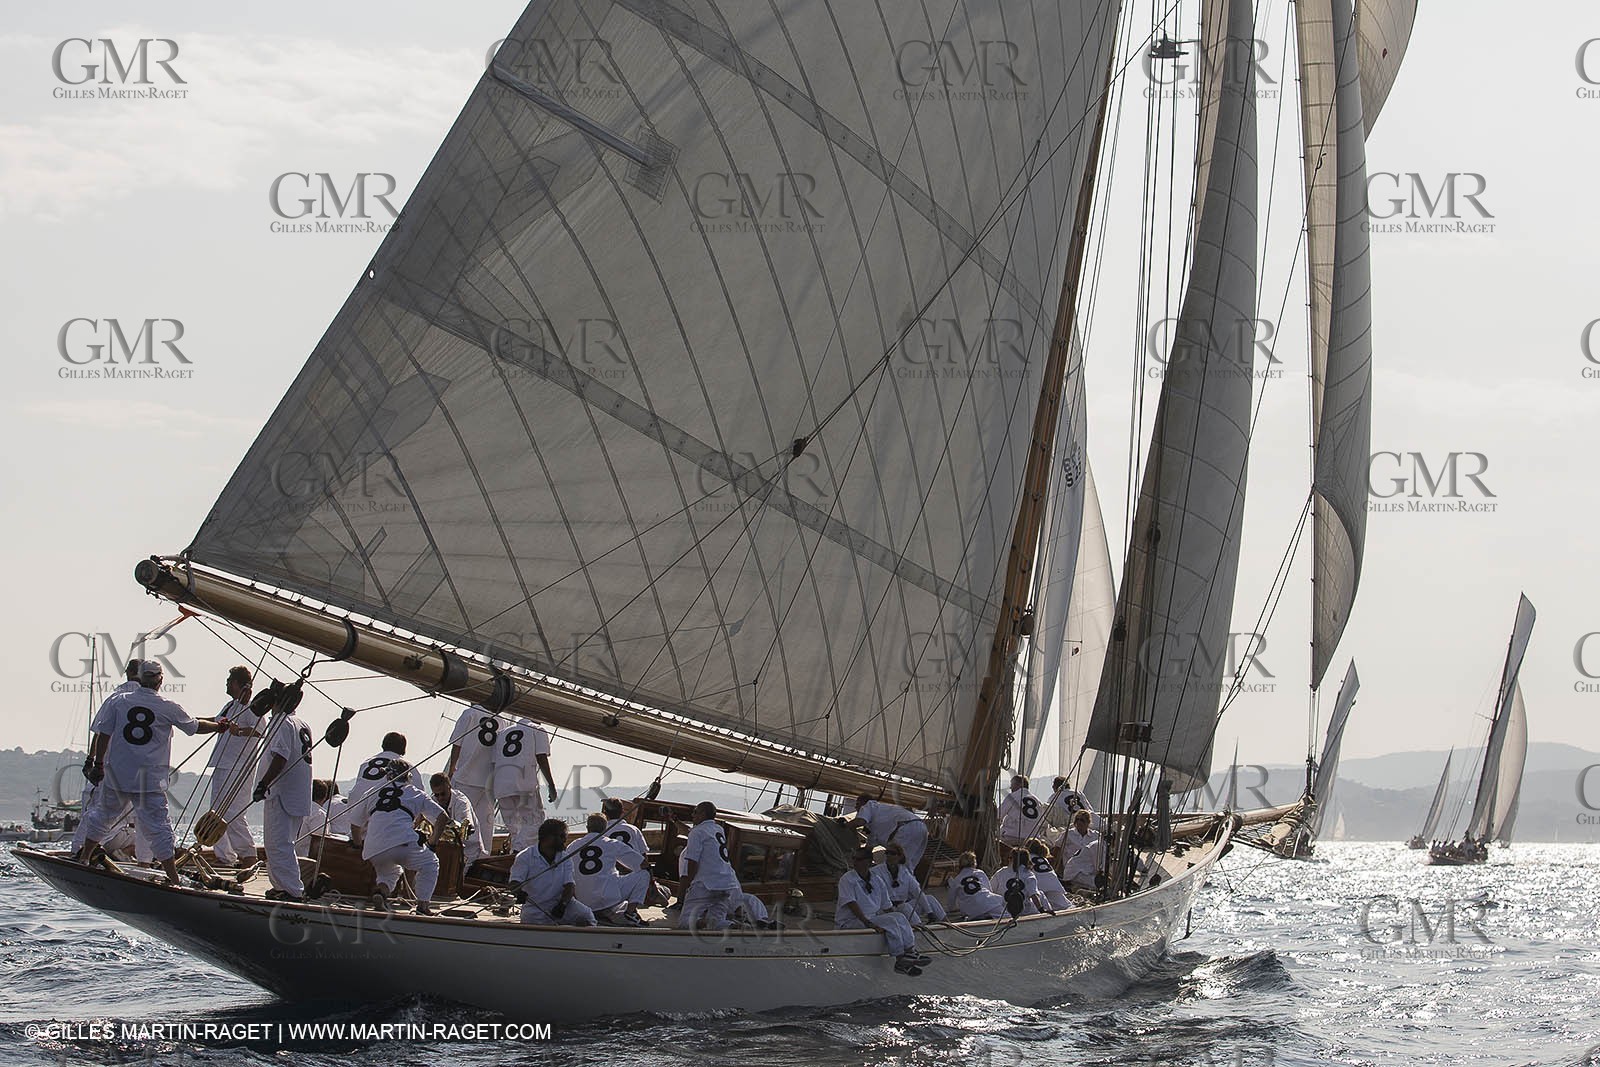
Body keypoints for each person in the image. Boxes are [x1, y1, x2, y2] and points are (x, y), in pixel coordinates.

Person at [76, 661, 249, 884]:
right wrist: (220, 726)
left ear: (139, 679)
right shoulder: (167, 706)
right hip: (149, 780)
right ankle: (172, 876)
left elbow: (103, 734)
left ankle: (84, 859)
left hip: (118, 775)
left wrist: (98, 764)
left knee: (103, 817)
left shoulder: (119, 702)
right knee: (159, 828)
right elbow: (195, 727)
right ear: (160, 680)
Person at [72, 660, 145, 856]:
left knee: (97, 812)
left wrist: (92, 761)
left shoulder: (115, 698)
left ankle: (83, 852)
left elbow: (100, 732)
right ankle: (126, 853)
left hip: (109, 767)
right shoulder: (153, 701)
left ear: (128, 672)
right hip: (139, 770)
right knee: (140, 819)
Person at [360, 760, 445, 915]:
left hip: (373, 848)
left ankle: (381, 893)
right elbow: (442, 817)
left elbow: (355, 821)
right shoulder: (416, 792)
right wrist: (432, 843)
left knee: (389, 873)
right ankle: (423, 905)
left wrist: (358, 842)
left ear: (388, 775)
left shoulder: (372, 792)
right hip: (401, 842)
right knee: (430, 864)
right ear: (407, 777)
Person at [251, 694, 314, 901]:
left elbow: (281, 756)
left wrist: (264, 783)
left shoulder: (282, 722)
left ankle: (291, 890)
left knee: (277, 844)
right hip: (299, 794)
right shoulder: (301, 723)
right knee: (285, 843)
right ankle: (282, 886)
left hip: (281, 793)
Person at [836, 848, 931, 975]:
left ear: (868, 862)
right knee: (890, 921)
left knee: (899, 916)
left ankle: (910, 951)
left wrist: (902, 923)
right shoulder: (847, 879)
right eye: (854, 859)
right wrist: (868, 923)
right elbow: (851, 903)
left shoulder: (876, 880)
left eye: (858, 859)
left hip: (871, 918)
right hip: (852, 921)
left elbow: (887, 906)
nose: (854, 862)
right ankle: (899, 958)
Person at [206, 666, 261, 866]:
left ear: (239, 684)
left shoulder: (252, 707)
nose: (227, 684)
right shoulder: (230, 705)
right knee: (215, 814)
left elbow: (259, 731)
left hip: (238, 769)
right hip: (223, 764)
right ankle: (225, 856)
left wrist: (238, 732)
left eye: (230, 680)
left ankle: (248, 854)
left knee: (233, 813)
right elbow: (215, 720)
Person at [509, 818, 596, 926]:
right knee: (533, 924)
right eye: (560, 836)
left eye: (564, 836)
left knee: (586, 915)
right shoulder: (525, 857)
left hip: (560, 904)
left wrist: (562, 905)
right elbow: (514, 883)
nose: (564, 840)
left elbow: (569, 885)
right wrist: (519, 892)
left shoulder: (565, 857)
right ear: (546, 837)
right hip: (535, 908)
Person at [445, 701, 502, 864]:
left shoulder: (469, 714)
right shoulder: (501, 719)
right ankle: (482, 863)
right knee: (485, 826)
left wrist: (451, 769)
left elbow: (457, 744)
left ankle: (455, 863)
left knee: (459, 824)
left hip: (465, 778)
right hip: (488, 782)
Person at [570, 813, 654, 924]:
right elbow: (643, 864)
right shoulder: (612, 844)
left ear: (587, 828)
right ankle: (630, 912)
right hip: (606, 899)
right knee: (644, 874)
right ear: (605, 828)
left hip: (582, 901)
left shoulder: (573, 846)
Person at [491, 713, 556, 853]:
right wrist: (551, 785)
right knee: (534, 822)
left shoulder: (502, 733)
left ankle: (515, 856)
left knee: (514, 828)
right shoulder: (537, 729)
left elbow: (494, 761)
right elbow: (541, 757)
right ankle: (517, 851)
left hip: (501, 785)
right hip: (524, 784)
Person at [348, 733, 424, 847]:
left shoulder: (366, 763)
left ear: (383, 745)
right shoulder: (408, 768)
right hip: (386, 830)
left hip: (357, 824)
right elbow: (421, 802)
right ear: (403, 749)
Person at [678, 801, 740, 930]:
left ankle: (703, 926)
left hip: (706, 884)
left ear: (703, 814)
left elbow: (692, 861)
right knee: (717, 922)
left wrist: (688, 887)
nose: (692, 815)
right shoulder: (718, 829)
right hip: (727, 884)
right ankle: (735, 926)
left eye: (695, 812)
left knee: (685, 922)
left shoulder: (697, 832)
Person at [850, 794, 930, 873]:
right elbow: (869, 848)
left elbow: (859, 821)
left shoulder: (869, 805)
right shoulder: (878, 818)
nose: (855, 807)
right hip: (921, 827)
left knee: (896, 864)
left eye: (857, 804)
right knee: (907, 865)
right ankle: (905, 883)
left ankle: (896, 883)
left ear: (863, 803)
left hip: (907, 828)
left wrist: (843, 826)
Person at [875, 843, 945, 923]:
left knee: (930, 899)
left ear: (899, 856)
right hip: (886, 909)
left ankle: (948, 925)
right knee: (905, 907)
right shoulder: (876, 871)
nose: (889, 855)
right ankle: (919, 927)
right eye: (887, 853)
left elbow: (917, 892)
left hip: (902, 906)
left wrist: (929, 912)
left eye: (892, 853)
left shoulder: (904, 872)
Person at [946, 850, 1007, 920]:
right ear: (974, 863)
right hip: (990, 903)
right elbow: (989, 890)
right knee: (1007, 918)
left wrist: (951, 909)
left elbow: (951, 902)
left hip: (973, 911)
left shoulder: (956, 880)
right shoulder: (979, 873)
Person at [991, 848, 1050, 916]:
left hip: (1005, 912)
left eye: (1009, 858)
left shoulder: (1001, 872)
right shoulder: (1028, 874)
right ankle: (1049, 916)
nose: (1008, 860)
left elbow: (992, 889)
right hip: (1024, 912)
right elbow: (1033, 895)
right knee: (1041, 894)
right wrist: (1041, 910)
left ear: (1012, 859)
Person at [426, 773, 475, 852]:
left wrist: (445, 821)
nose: (440, 798)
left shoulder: (461, 802)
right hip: (444, 848)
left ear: (449, 787)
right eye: (436, 795)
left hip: (467, 850)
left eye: (443, 794)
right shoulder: (433, 800)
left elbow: (464, 828)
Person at [1060, 810, 1103, 893]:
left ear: (1088, 822)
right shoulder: (1068, 834)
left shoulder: (1095, 836)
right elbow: (1057, 849)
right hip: (1075, 870)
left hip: (1091, 869)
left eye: (1082, 820)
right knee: (1098, 884)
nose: (1079, 822)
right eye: (1077, 820)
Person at [997, 775, 1045, 847]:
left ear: (1020, 784)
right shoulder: (1037, 800)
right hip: (1031, 840)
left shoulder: (1012, 797)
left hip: (1011, 837)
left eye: (1012, 785)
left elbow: (998, 815)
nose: (1010, 788)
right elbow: (1041, 821)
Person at [1027, 838, 1072, 910]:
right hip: (1054, 885)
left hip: (1040, 887)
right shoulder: (1043, 859)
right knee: (1063, 905)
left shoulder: (1026, 858)